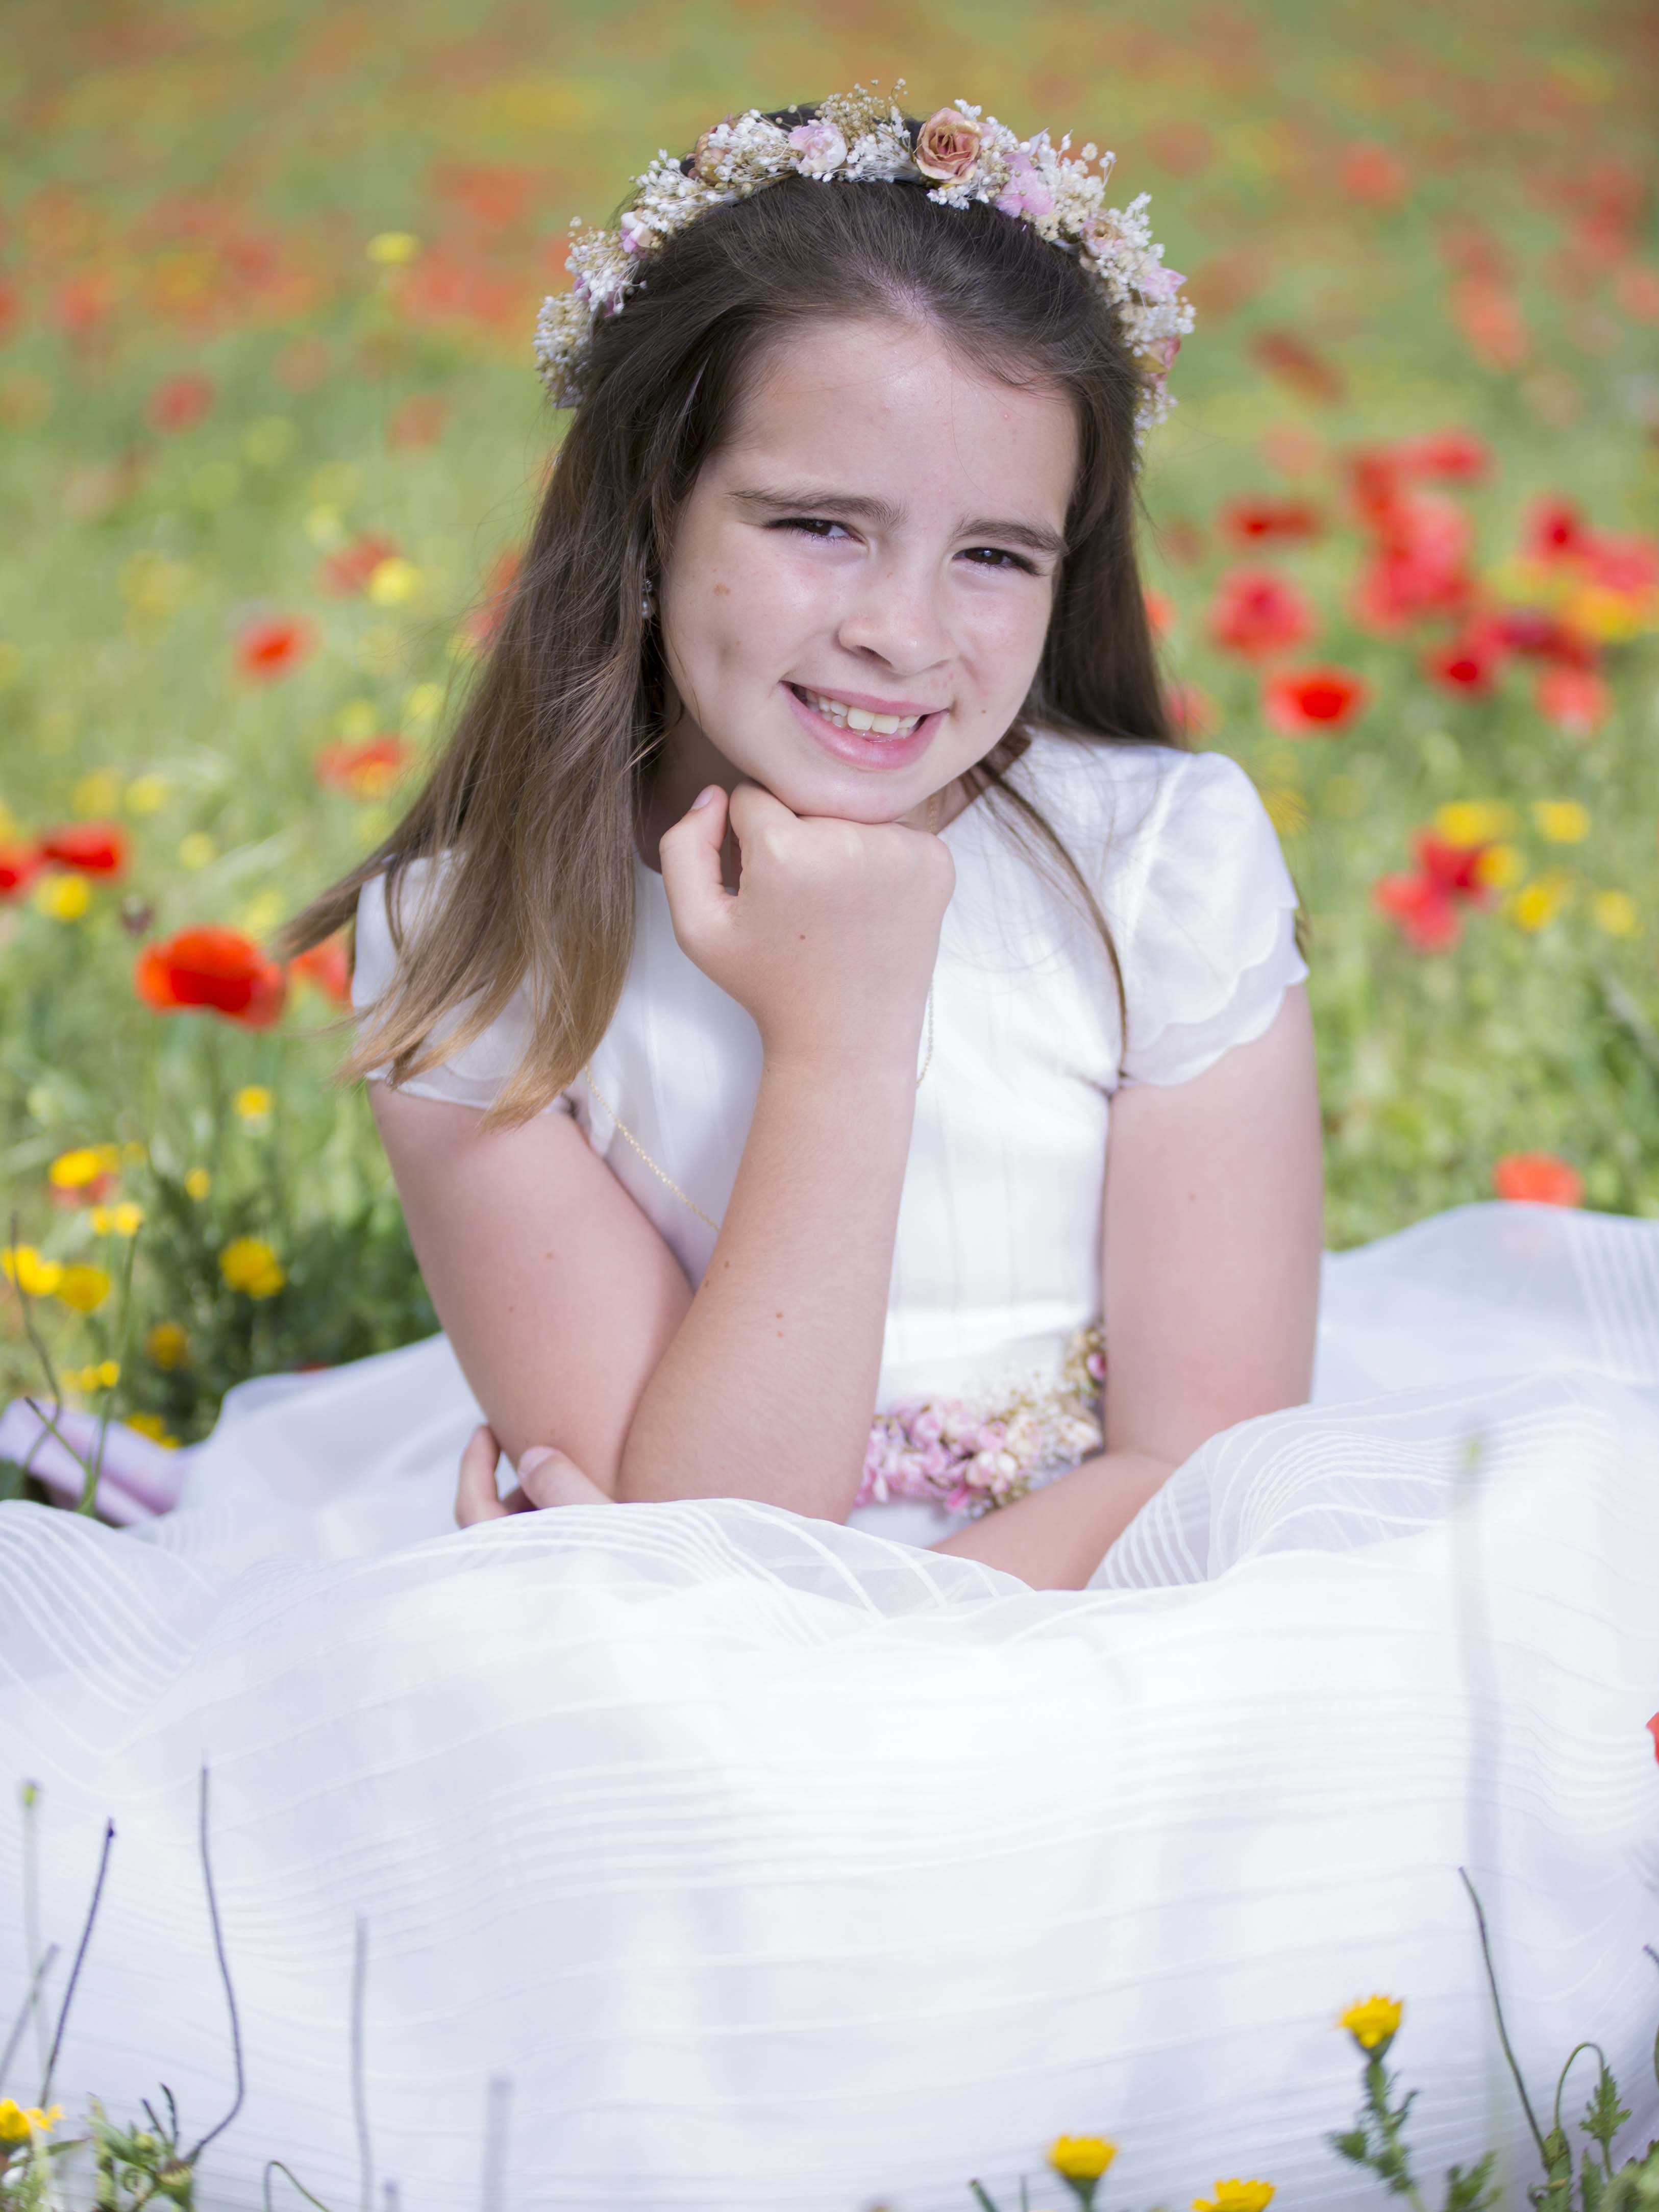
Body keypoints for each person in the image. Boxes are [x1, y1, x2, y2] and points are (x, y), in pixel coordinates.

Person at [1, 87, 1654, 2212]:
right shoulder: (480, 939)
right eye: (816, 525)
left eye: (995, 555)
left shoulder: (1160, 864)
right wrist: (844, 1032)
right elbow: (715, 1528)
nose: (902, 630)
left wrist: (891, 1666)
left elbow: (1216, 1457)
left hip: (1126, 1577)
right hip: (703, 1606)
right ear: (648, 502)